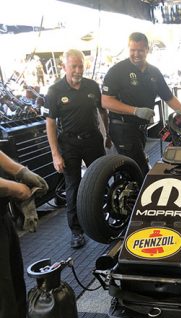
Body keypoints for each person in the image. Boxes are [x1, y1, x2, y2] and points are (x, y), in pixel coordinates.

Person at [45, 49, 110, 249]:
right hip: (69, 144)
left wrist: (108, 134)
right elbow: (50, 123)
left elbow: (103, 110)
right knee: (73, 187)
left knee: (102, 181)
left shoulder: (92, 86)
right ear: (64, 67)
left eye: (80, 65)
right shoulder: (55, 91)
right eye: (73, 66)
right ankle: (76, 232)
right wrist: (55, 154)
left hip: (93, 141)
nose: (77, 70)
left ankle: (105, 219)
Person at [102, 32, 181, 175]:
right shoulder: (117, 71)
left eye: (140, 50)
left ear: (147, 49)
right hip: (122, 128)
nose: (136, 54)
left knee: (132, 167)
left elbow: (169, 97)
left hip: (141, 129)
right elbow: (106, 101)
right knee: (140, 170)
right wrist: (135, 110)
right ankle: (139, 195)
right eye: (132, 50)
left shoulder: (154, 72)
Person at [0, 150, 48, 318]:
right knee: (4, 300)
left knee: (15, 288)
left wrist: (21, 171)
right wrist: (15, 188)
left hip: (2, 218)